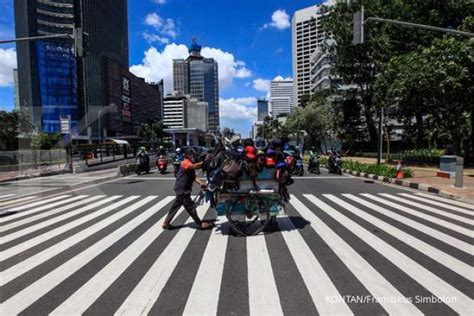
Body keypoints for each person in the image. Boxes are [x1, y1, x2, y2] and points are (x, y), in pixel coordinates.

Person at [162, 148, 212, 230]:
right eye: (191, 154)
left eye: (193, 154)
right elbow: (194, 166)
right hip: (183, 189)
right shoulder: (185, 162)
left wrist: (200, 183)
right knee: (191, 207)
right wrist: (205, 162)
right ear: (187, 155)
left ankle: (166, 223)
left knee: (175, 206)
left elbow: (193, 176)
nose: (192, 156)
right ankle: (199, 224)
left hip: (181, 188)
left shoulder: (189, 162)